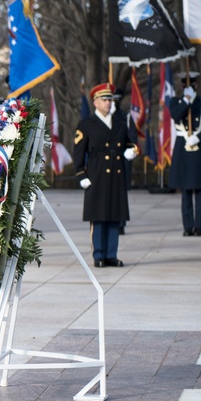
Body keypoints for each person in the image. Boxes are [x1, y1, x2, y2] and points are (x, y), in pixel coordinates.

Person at [73, 82, 138, 268]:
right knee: (99, 216)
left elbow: (128, 143)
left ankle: (111, 254)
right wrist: (81, 174)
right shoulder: (86, 124)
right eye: (104, 99)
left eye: (110, 99)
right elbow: (78, 151)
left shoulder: (119, 123)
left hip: (116, 175)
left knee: (114, 216)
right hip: (97, 174)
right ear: (95, 102)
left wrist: (129, 152)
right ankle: (99, 254)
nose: (108, 103)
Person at [167, 71, 201, 236]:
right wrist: (186, 101)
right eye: (185, 85)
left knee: (199, 189)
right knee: (185, 189)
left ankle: (198, 225)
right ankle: (187, 226)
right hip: (183, 148)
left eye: (191, 85)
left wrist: (199, 137)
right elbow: (176, 115)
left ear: (196, 85)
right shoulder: (176, 101)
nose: (188, 88)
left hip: (198, 148)